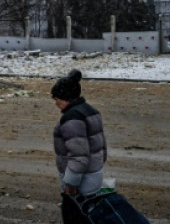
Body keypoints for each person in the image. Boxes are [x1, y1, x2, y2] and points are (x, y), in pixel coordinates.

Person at [52, 69, 107, 224]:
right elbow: (101, 146)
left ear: (66, 97)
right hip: (94, 175)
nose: (56, 103)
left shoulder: (72, 118)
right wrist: (96, 168)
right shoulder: (91, 111)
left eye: (57, 99)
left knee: (75, 218)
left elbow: (78, 154)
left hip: (79, 182)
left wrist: (71, 183)